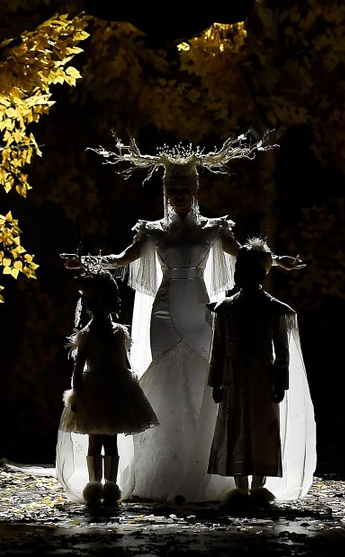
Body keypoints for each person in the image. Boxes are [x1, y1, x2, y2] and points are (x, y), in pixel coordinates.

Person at [58, 130, 316, 503]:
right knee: (166, 377)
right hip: (163, 313)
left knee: (202, 376)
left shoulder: (213, 229)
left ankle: (209, 468)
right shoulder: (153, 231)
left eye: (185, 188)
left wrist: (277, 260)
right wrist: (86, 262)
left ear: (196, 190)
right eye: (173, 189)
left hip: (198, 306)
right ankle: (159, 468)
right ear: (166, 193)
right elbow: (121, 259)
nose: (179, 195)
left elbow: (243, 255)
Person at [207, 237, 308, 507]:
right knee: (235, 424)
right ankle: (239, 486)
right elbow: (217, 349)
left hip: (261, 376)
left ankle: (259, 486)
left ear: (259, 273)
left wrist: (281, 383)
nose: (239, 274)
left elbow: (282, 351)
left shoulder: (272, 309)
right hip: (233, 377)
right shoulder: (225, 309)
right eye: (238, 268)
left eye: (245, 269)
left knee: (263, 426)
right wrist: (215, 382)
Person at [56, 269, 159, 506]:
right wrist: (77, 394)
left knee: (108, 439)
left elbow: (125, 362)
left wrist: (131, 384)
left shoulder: (118, 333)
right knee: (96, 439)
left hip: (114, 390)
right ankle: (96, 485)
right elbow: (78, 368)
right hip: (97, 392)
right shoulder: (87, 336)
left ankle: (109, 486)